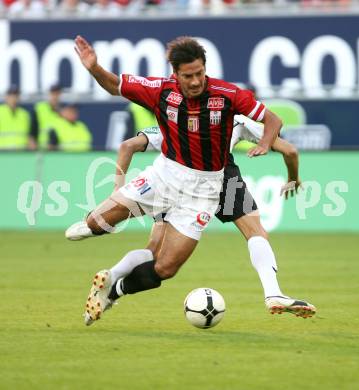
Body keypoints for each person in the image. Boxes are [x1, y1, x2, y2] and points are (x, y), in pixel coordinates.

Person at [68, 34, 293, 326]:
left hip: (205, 189)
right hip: (165, 176)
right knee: (98, 223)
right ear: (176, 74)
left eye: (200, 73)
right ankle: (92, 226)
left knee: (166, 267)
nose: (196, 81)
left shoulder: (227, 94)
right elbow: (114, 86)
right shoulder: (160, 91)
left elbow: (273, 120)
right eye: (189, 76)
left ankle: (112, 290)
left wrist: (265, 142)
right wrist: (93, 68)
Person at [30, 84, 63, 150]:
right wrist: (33, 145)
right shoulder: (40, 108)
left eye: (57, 94)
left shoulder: (62, 111)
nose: (55, 96)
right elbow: (33, 129)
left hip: (58, 149)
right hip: (42, 148)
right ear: (49, 94)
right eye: (53, 93)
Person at [0, 85, 31, 150]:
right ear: (6, 97)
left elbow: (28, 136)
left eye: (16, 95)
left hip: (20, 153)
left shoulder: (24, 115)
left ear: (19, 98)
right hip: (3, 153)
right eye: (11, 95)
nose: (13, 98)